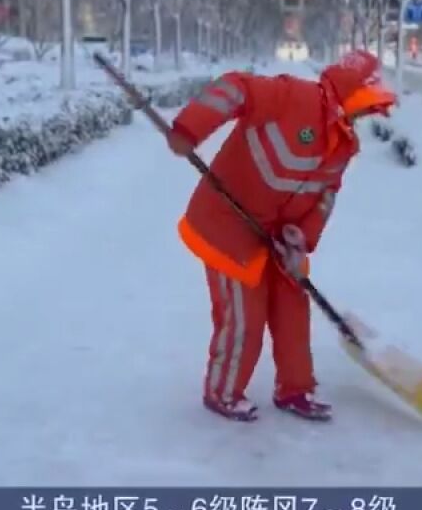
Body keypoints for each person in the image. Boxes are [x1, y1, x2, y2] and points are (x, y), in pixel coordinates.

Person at [166, 51, 397, 423]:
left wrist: (300, 237)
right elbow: (234, 87)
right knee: (244, 315)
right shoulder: (293, 97)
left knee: (293, 307)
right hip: (229, 223)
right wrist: (190, 129)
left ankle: (296, 388)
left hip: (279, 235)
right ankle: (222, 391)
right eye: (368, 106)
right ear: (354, 94)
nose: (367, 115)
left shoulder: (343, 143)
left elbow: (326, 195)